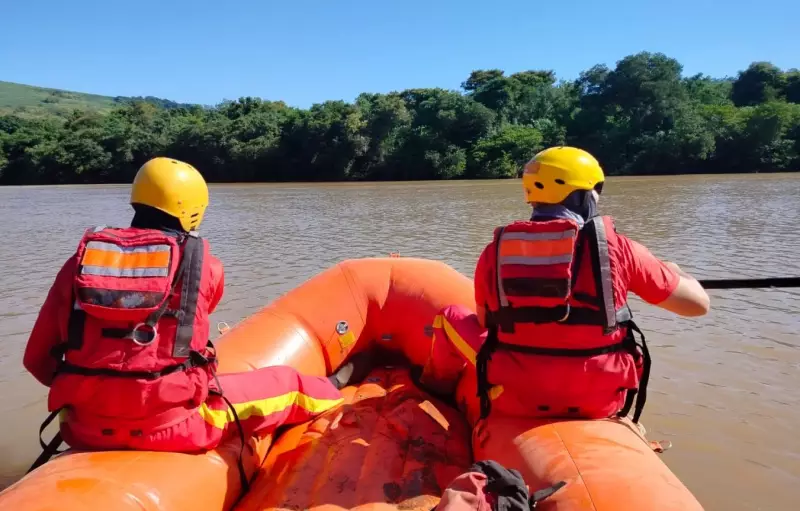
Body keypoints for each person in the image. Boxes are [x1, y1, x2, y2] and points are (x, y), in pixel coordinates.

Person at [23, 157, 369, 483]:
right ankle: (336, 387)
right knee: (290, 386)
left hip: (82, 427)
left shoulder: (79, 266)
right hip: (175, 426)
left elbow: (36, 360)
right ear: (193, 209)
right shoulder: (206, 267)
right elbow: (196, 322)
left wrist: (98, 391)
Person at [418, 146, 710, 426]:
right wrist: (674, 271)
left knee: (450, 316)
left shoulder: (495, 250)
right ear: (585, 195)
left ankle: (436, 396)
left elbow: (484, 322)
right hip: (600, 401)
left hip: (518, 396)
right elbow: (698, 306)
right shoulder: (622, 250)